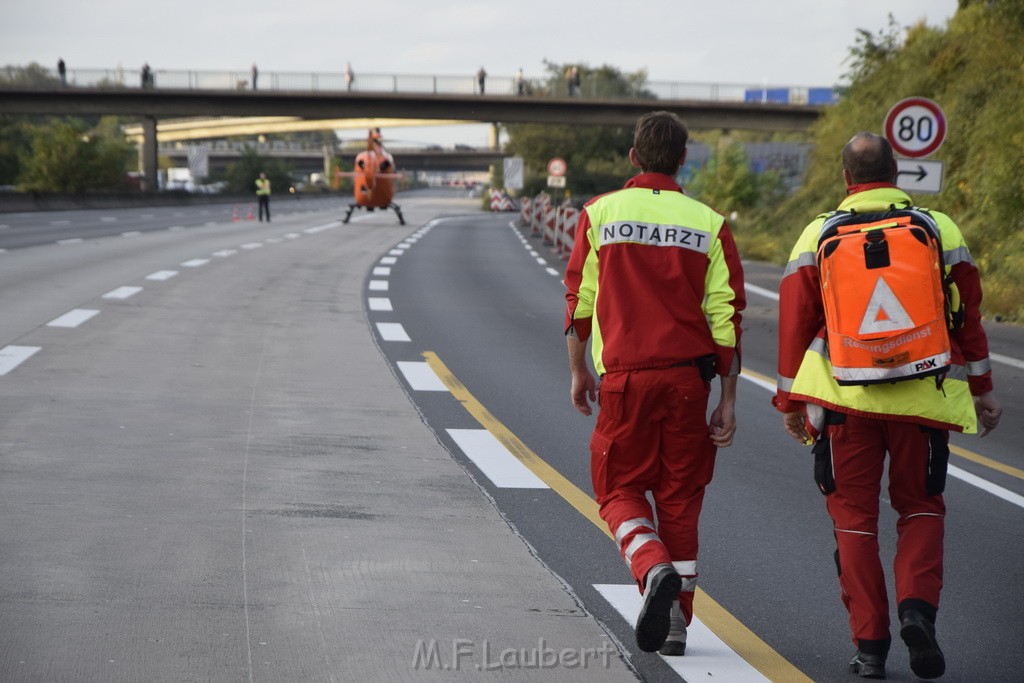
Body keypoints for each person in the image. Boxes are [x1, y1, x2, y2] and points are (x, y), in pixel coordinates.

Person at [774, 132, 1002, 680]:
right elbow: (966, 314)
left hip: (846, 402)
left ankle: (871, 647)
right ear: (896, 173)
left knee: (853, 520)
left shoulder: (817, 233)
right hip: (922, 399)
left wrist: (789, 399)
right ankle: (916, 611)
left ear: (846, 178)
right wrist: (982, 388)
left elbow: (795, 324)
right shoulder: (938, 228)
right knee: (921, 507)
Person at [563, 110, 746, 657]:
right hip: (690, 384)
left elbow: (580, 304)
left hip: (625, 382)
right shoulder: (710, 223)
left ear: (633, 158)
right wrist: (729, 400)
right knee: (681, 501)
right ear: (684, 159)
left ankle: (650, 565)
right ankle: (675, 624)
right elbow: (726, 319)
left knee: (617, 489)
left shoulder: (601, 214)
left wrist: (578, 369)